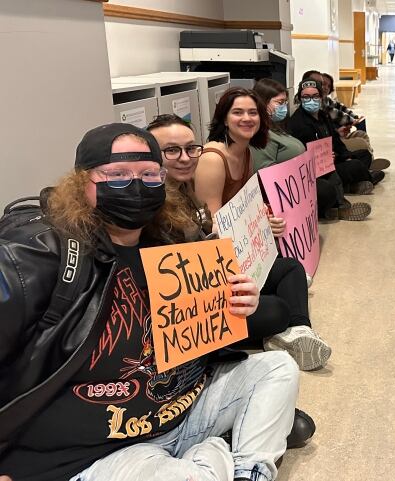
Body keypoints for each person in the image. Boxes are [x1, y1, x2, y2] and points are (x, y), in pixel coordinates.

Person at [0, 123, 298, 481]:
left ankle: (245, 470)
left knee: (277, 367)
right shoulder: (36, 255)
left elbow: (200, 334)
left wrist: (237, 305)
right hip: (99, 451)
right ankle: (216, 454)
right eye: (117, 174)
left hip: (181, 408)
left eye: (149, 174)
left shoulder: (175, 240)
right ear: (82, 183)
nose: (137, 186)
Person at [148, 114, 333, 372]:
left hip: (215, 275)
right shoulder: (151, 203)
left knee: (290, 268)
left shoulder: (186, 186)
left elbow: (209, 231)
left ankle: (300, 331)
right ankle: (286, 329)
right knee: (277, 310)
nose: (185, 157)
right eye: (171, 150)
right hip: (191, 309)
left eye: (191, 148)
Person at [251, 79, 371, 222]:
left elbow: (334, 140)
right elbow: (267, 174)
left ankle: (342, 203)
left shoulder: (279, 125)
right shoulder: (271, 131)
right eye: (279, 102)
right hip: (294, 183)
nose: (284, 106)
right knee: (325, 189)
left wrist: (338, 156)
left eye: (285, 102)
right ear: (263, 103)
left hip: (311, 171)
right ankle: (337, 205)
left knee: (358, 157)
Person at [287, 78, 383, 195]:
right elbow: (305, 156)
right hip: (321, 170)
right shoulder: (299, 123)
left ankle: (351, 184)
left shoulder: (323, 115)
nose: (311, 100)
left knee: (364, 154)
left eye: (315, 96)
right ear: (300, 98)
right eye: (306, 97)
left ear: (321, 97)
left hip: (335, 159)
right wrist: (335, 159)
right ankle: (367, 178)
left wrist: (346, 156)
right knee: (355, 165)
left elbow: (336, 141)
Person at [194, 87, 269, 220]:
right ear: (224, 120)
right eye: (237, 112)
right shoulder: (212, 159)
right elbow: (211, 223)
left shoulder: (245, 151)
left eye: (253, 112)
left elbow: (247, 204)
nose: (247, 118)